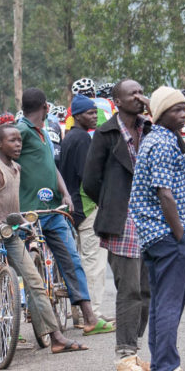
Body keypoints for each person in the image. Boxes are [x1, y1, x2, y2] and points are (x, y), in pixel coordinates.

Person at [0, 125, 86, 363]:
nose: (18, 144)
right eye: (12, 141)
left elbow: (11, 204)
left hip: (11, 233)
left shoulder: (17, 167)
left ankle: (55, 336)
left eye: (19, 141)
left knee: (35, 281)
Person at [128, 87, 185, 371]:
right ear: (161, 114)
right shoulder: (161, 144)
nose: (183, 115)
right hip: (167, 236)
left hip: (154, 236)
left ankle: (162, 366)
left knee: (162, 304)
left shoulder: (158, 139)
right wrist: (179, 234)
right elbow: (164, 193)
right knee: (170, 304)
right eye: (176, 110)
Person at [15, 88, 108, 335]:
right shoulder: (21, 131)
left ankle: (89, 317)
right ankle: (18, 315)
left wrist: (65, 193)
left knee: (71, 261)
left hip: (53, 209)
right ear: (45, 107)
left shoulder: (45, 133)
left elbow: (51, 168)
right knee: (20, 265)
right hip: (27, 211)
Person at [83, 80, 155, 371]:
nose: (139, 98)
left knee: (147, 291)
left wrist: (158, 117)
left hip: (150, 219)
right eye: (133, 95)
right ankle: (124, 356)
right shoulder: (105, 134)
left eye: (141, 93)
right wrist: (112, 203)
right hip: (121, 220)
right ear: (117, 101)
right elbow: (90, 180)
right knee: (129, 290)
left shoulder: (150, 129)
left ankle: (134, 349)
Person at [58, 95, 110, 325]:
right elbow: (87, 177)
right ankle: (94, 314)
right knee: (94, 264)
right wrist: (101, 201)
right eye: (90, 113)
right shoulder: (82, 140)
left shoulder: (69, 138)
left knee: (76, 262)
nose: (94, 116)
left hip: (70, 208)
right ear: (77, 116)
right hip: (86, 207)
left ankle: (78, 314)